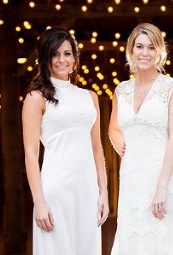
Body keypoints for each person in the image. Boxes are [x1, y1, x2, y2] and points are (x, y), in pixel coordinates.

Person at [22, 27, 109, 254]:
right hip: (55, 189)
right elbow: (31, 155)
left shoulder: (90, 97)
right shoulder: (35, 97)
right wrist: (39, 201)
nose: (62, 60)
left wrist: (104, 192)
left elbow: (97, 148)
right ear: (45, 58)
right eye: (55, 54)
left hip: (88, 191)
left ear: (75, 58)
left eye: (67, 53)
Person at [108, 23, 173, 253]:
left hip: (163, 175)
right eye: (140, 46)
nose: (145, 53)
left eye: (151, 47)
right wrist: (124, 149)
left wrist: (162, 186)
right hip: (132, 178)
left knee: (164, 241)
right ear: (131, 50)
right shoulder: (120, 90)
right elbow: (113, 128)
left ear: (159, 52)